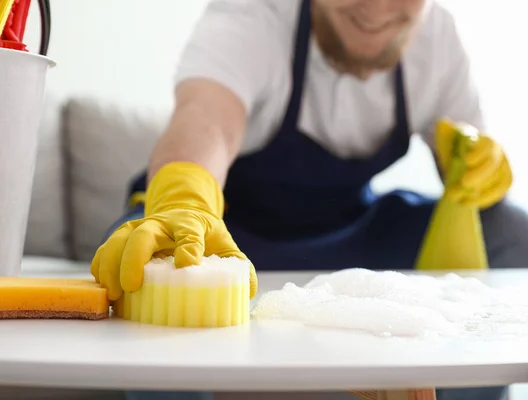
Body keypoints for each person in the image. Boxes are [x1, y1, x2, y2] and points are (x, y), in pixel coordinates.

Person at [91, 0, 527, 399]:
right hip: (227, 241)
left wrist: (477, 167)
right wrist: (184, 201)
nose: (376, 8)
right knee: (150, 266)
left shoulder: (436, 38)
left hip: (353, 236)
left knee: (508, 231)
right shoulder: (254, 14)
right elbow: (207, 120)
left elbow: (468, 169)